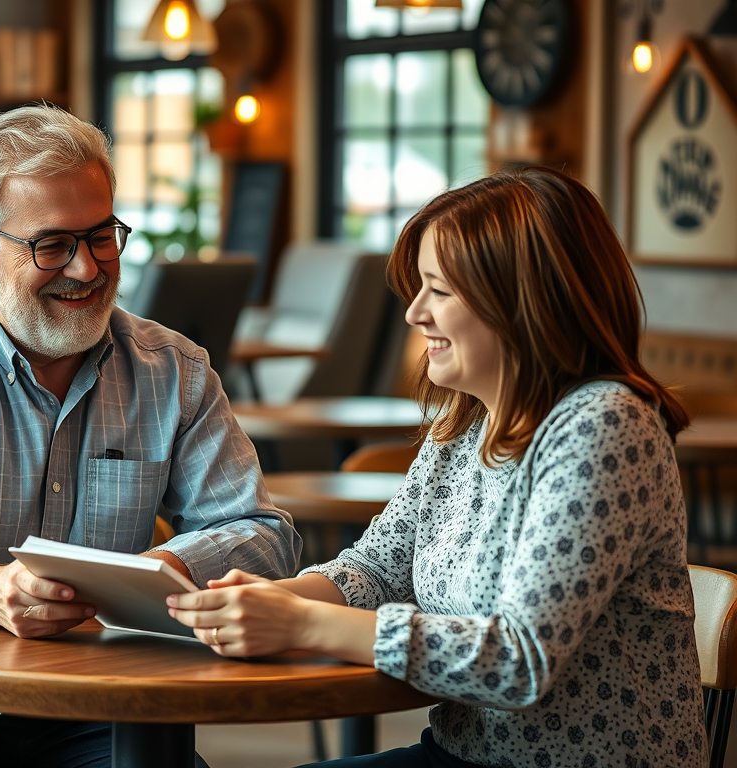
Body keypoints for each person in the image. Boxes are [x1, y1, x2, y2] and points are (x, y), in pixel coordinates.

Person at [168, 165, 707, 768]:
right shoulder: (466, 422)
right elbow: (378, 568)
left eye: (439, 291)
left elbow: (518, 660)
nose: (414, 314)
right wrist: (266, 600)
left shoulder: (604, 425)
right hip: (464, 754)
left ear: (523, 301)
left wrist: (299, 623)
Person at [0, 103, 301, 768]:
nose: (86, 268)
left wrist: (174, 566)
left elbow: (264, 531)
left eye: (102, 235)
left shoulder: (175, 370)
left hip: (99, 697)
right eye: (52, 245)